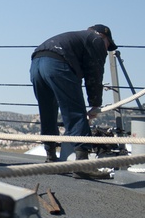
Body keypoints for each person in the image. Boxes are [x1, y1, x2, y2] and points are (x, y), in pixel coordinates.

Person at [30, 24, 116, 163]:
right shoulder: (96, 40)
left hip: (36, 64)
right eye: (108, 45)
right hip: (57, 63)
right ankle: (82, 163)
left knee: (47, 111)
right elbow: (95, 73)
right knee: (75, 111)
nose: (107, 50)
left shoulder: (77, 37)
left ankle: (50, 156)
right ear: (103, 37)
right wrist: (95, 104)